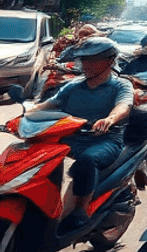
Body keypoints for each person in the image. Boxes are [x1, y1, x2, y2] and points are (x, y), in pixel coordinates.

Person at [30, 36, 134, 230]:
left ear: (109, 61)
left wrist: (110, 119)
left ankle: (80, 210)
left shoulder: (121, 85)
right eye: (84, 60)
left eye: (92, 60)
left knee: (87, 160)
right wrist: (23, 115)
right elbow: (46, 105)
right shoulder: (74, 85)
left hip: (104, 140)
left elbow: (123, 106)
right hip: (71, 136)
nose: (85, 64)